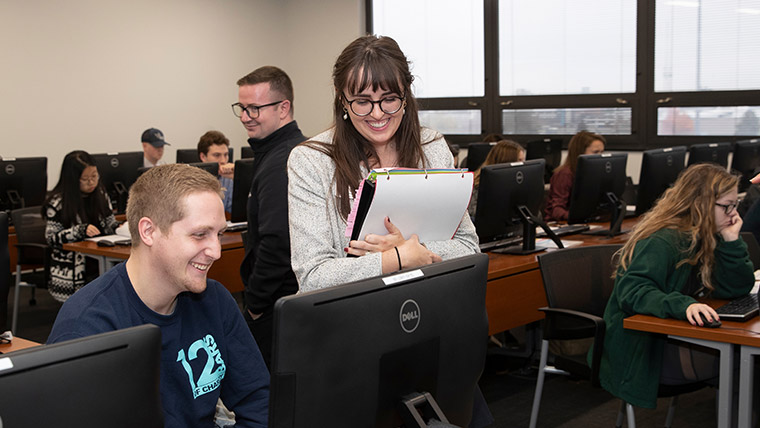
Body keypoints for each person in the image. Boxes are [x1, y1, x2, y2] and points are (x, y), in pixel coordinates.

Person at [287, 35, 491, 427]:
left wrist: (415, 251)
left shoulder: (431, 146)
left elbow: (468, 245)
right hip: (352, 341)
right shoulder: (311, 161)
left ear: (406, 94)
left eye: (389, 99)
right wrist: (396, 259)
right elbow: (312, 277)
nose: (377, 113)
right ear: (341, 98)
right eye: (361, 100)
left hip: (426, 326)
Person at [47, 164, 270, 427]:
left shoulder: (214, 300)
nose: (216, 251)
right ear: (148, 231)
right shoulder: (87, 328)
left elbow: (258, 401)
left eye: (218, 234)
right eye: (200, 235)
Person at [598, 163, 754, 409]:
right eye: (727, 206)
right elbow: (632, 292)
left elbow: (737, 288)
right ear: (699, 203)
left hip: (673, 335)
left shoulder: (709, 234)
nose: (733, 214)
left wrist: (731, 240)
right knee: (744, 363)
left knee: (746, 362)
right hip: (643, 350)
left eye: (735, 205)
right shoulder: (663, 240)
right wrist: (683, 305)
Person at [234, 65, 306, 370]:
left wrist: (255, 305)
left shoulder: (284, 160)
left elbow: (278, 242)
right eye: (242, 108)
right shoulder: (281, 151)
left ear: (283, 108)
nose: (246, 116)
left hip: (279, 305)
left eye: (255, 108)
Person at [44, 150, 119, 302]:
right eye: (85, 179)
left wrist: (122, 228)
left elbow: (110, 223)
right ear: (73, 180)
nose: (91, 182)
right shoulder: (57, 203)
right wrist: (80, 230)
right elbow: (51, 238)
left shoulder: (101, 196)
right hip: (74, 267)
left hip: (102, 257)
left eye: (94, 176)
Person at [544, 130, 605, 221]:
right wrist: (577, 218)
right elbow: (556, 209)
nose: (600, 156)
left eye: (602, 152)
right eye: (595, 152)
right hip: (561, 224)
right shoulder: (565, 174)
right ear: (580, 152)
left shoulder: (594, 173)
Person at [468, 139, 526, 218]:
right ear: (506, 161)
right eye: (519, 160)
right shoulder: (477, 183)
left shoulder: (519, 181)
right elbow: (475, 213)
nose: (523, 164)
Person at [198, 130, 235, 214]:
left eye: (225, 155)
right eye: (217, 155)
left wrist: (237, 179)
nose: (223, 160)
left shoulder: (228, 179)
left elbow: (238, 211)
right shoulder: (191, 181)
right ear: (203, 157)